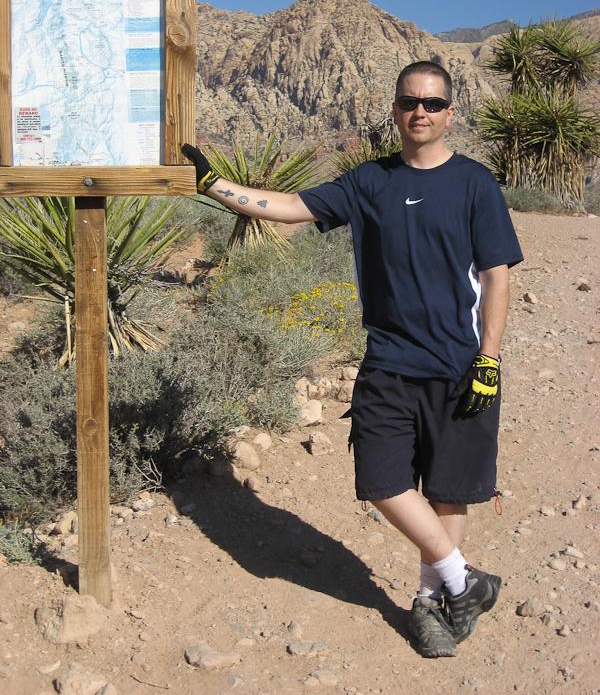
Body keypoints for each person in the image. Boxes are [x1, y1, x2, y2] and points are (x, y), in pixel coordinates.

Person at [181, 60, 523, 659]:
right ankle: (464, 580)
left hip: (460, 365)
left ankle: (433, 605)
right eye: (410, 100)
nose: (421, 111)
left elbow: (496, 276)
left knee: (447, 491)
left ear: (450, 112)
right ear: (395, 109)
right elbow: (288, 206)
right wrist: (216, 188)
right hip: (389, 361)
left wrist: (489, 360)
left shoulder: (475, 184)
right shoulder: (369, 183)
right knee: (384, 480)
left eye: (433, 103)